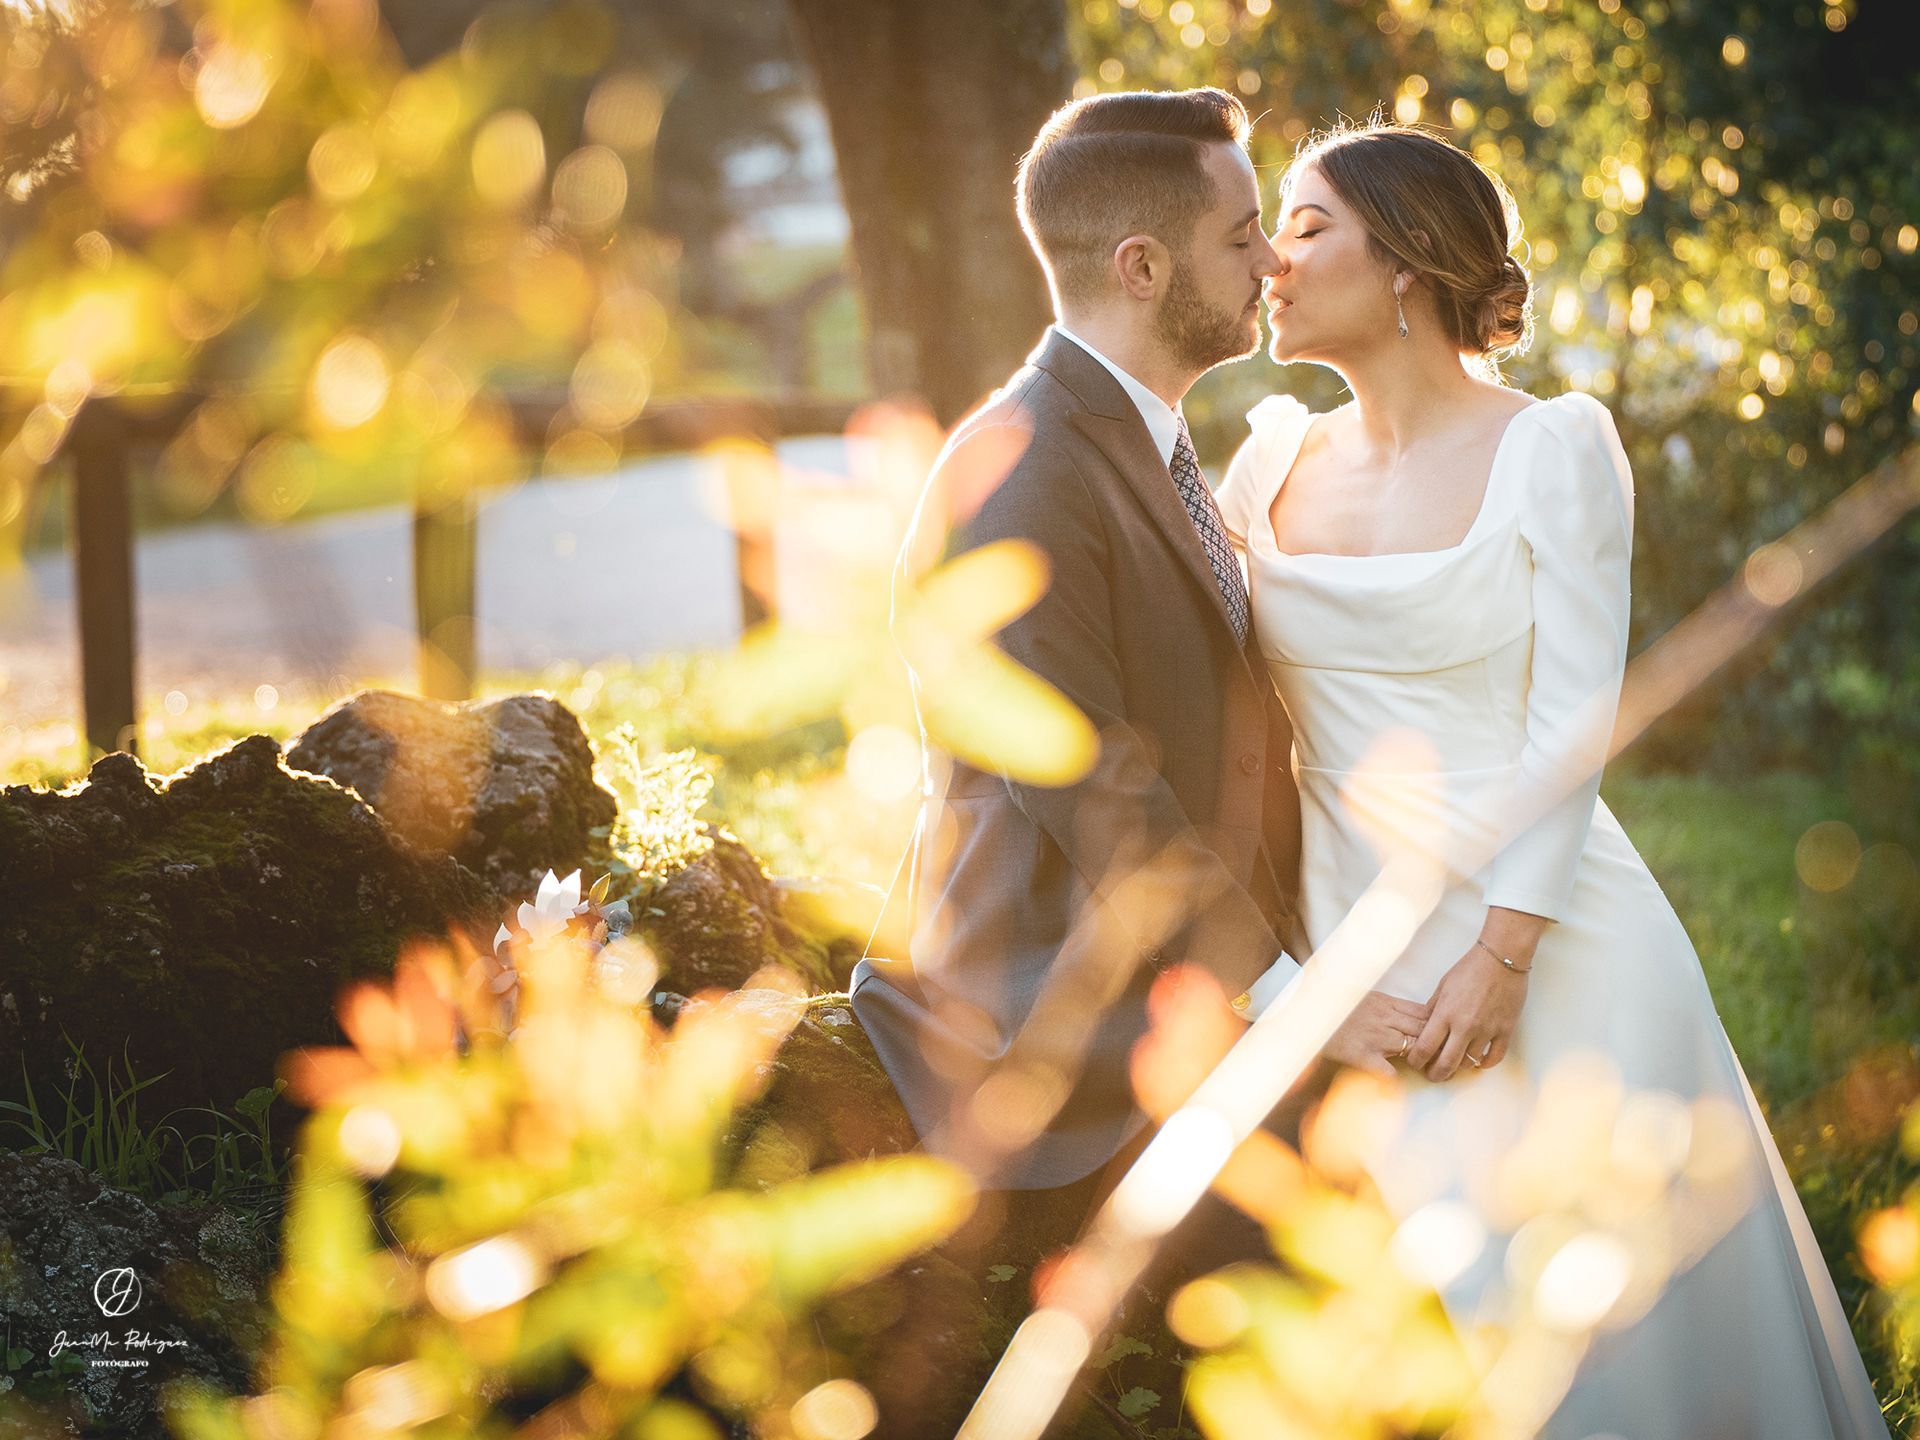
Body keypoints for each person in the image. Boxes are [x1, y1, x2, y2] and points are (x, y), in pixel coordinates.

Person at [1213, 119, 1892, 1438]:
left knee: (1629, 1323)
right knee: (1451, 1320)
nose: (1269, 262)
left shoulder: (1555, 449)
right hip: (1359, 942)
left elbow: (1578, 722)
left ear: (1405, 260)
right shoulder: (1268, 458)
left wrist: (1504, 954)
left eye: (1304, 227)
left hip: (1560, 942)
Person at [847, 88, 1423, 1322]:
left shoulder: (1138, 440)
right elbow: (1099, 791)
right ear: (1143, 266)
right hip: (1058, 1030)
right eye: (1243, 235)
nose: (1273, 260)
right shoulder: (1027, 470)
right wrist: (1296, 1005)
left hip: (1184, 971)